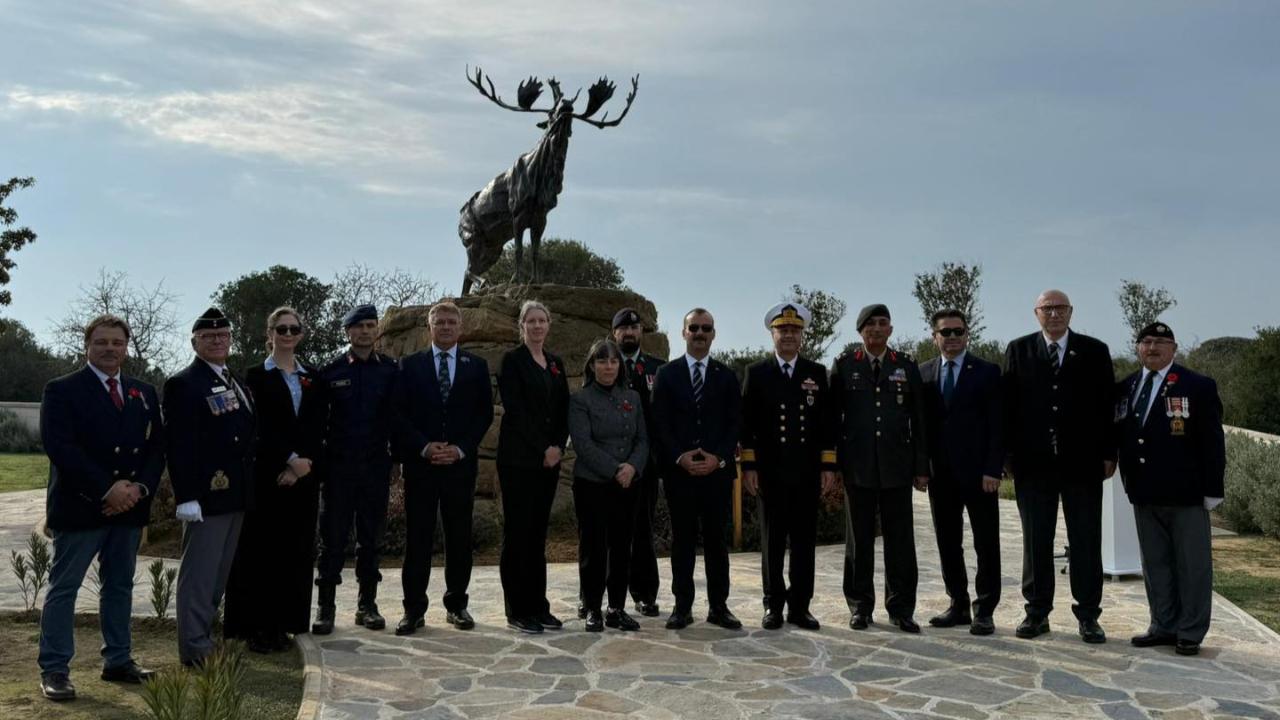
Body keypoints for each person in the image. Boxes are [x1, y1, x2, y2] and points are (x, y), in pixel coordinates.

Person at [37, 314, 162, 701]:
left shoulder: (143, 392)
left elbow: (157, 448)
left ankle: (118, 660)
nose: (110, 349)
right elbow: (61, 448)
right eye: (102, 342)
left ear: (126, 347)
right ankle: (55, 669)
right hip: (81, 507)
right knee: (65, 589)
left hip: (128, 509)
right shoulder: (62, 389)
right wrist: (107, 490)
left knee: (120, 586)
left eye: (117, 342)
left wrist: (137, 489)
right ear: (87, 345)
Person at [1003, 289, 1115, 644]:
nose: (1054, 314)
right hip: (1033, 464)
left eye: (1060, 308)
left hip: (1082, 463)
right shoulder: (1018, 350)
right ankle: (1037, 613)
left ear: (1071, 312)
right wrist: (1006, 456)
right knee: (1036, 540)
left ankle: (1088, 615)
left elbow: (1107, 406)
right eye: (1047, 308)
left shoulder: (1095, 351)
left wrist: (1109, 452)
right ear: (1036, 313)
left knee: (1085, 539)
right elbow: (1008, 408)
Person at [1117, 322, 1225, 657]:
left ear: (1174, 349)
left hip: (1186, 492)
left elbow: (1212, 441)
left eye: (1161, 342)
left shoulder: (1197, 385)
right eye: (1146, 342)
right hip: (1144, 492)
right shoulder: (1126, 387)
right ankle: (1162, 625)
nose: (1152, 348)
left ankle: (1190, 631)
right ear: (1138, 348)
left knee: (1192, 565)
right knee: (1156, 563)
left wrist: (1213, 489)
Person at [224, 307, 325, 653]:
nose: (287, 334)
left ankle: (286, 623)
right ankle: (257, 627)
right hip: (268, 475)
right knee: (260, 551)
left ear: (300, 334)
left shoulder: (313, 376)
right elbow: (257, 427)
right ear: (269, 334)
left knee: (295, 551)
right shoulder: (253, 377)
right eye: (280, 329)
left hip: (304, 477)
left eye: (293, 329)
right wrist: (288, 460)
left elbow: (317, 424)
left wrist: (304, 464)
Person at [394, 301, 494, 635]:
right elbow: (399, 414)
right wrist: (424, 447)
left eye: (452, 321)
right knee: (418, 538)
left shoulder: (476, 367)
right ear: (430, 326)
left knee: (459, 537)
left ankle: (457, 605)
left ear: (461, 327)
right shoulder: (409, 366)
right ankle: (413, 609)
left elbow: (483, 414)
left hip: (458, 467)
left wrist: (461, 449)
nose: (446, 327)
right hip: (421, 465)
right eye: (440, 322)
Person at [165, 307, 255, 667]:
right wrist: (186, 495)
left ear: (231, 339)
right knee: (199, 577)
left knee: (217, 575)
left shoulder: (232, 380)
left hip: (234, 494)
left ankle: (204, 639)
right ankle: (194, 649)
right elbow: (180, 443)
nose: (217, 340)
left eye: (223, 335)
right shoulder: (184, 383)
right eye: (209, 336)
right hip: (207, 495)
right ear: (194, 342)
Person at [830, 304, 929, 633]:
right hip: (858, 468)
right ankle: (860, 606)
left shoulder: (905, 366)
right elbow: (833, 422)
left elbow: (919, 421)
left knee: (900, 541)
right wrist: (834, 465)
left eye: (882, 323)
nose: (876, 328)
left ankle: (901, 608)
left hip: (896, 467)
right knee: (859, 541)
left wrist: (920, 466)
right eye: (869, 324)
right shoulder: (845, 366)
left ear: (891, 329)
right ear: (860, 331)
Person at [740, 303, 838, 631]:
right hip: (770, 473)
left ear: (802, 336)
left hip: (806, 473)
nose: (788, 336)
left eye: (794, 331)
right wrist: (749, 467)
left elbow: (827, 426)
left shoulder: (816, 373)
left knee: (803, 543)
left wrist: (828, 467)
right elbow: (747, 426)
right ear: (773, 334)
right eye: (783, 330)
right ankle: (772, 606)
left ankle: (800, 606)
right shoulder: (757, 373)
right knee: (771, 542)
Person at [651, 308, 743, 630]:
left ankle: (719, 606)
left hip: (717, 475)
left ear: (714, 334)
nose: (700, 333)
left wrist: (718, 458)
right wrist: (680, 457)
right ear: (683, 333)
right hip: (681, 474)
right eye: (694, 328)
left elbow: (735, 424)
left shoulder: (727, 376)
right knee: (683, 541)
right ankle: (682, 607)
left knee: (717, 542)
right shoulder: (667, 374)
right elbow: (659, 422)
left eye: (706, 328)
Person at [312, 304, 399, 634]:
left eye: (370, 325)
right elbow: (319, 424)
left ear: (377, 330)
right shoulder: (330, 372)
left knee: (370, 540)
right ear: (348, 332)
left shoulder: (390, 371)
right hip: (339, 469)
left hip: (375, 467)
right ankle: (326, 607)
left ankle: (367, 605)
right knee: (332, 541)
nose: (365, 331)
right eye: (359, 326)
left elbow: (397, 418)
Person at [918, 309, 1004, 635]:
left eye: (957, 332)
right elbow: (921, 427)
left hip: (980, 475)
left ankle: (984, 609)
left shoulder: (986, 371)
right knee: (948, 542)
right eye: (945, 332)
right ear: (934, 336)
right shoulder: (923, 372)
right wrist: (921, 468)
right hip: (940, 475)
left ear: (967, 334)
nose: (952, 338)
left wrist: (993, 469)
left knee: (986, 542)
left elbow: (998, 426)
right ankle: (957, 604)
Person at [496, 300, 570, 634]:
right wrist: (542, 447)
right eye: (531, 321)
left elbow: (563, 408)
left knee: (538, 535)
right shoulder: (512, 361)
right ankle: (518, 609)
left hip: (549, 463)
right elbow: (516, 411)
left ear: (549, 324)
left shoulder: (555, 363)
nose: (537, 326)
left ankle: (539, 607)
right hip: (519, 461)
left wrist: (557, 447)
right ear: (522, 326)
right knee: (518, 534)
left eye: (542, 320)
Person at [568, 339, 649, 632]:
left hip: (628, 483)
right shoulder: (580, 400)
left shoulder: (633, 397)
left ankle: (616, 608)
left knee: (621, 547)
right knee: (594, 548)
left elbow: (642, 439)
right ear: (592, 365)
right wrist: (615, 469)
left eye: (613, 361)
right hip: (593, 483)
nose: (608, 366)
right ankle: (592, 608)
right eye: (602, 361)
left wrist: (632, 467)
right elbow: (583, 444)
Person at [612, 308, 667, 618]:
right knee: (605, 532)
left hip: (645, 465)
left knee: (643, 531)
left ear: (641, 332)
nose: (629, 333)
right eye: (623, 329)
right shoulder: (604, 366)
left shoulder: (658, 370)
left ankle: (645, 594)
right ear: (614, 333)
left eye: (634, 328)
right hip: (610, 464)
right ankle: (595, 595)